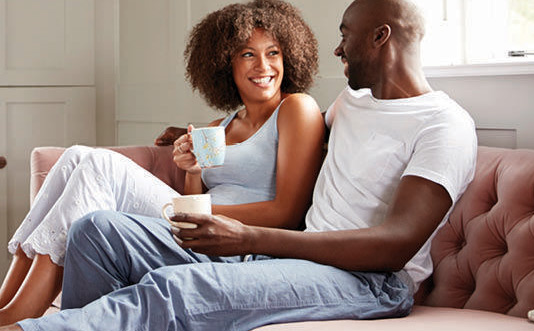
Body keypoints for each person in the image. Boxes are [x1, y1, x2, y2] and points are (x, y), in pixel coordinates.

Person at [1, 0, 478, 329]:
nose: (338, 50)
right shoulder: (352, 105)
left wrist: (248, 235)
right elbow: (273, 136)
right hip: (296, 255)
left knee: (180, 287)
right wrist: (184, 141)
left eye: (345, 37)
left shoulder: (445, 126)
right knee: (97, 231)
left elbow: (396, 246)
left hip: (370, 282)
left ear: (381, 37)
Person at [0, 0, 324, 325]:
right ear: (226, 63)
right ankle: (5, 301)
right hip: (194, 224)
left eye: (273, 53)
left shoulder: (296, 109)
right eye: (248, 54)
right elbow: (196, 192)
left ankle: (21, 313)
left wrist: (196, 214)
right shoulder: (218, 127)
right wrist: (192, 171)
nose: (263, 66)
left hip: (233, 239)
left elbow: (287, 212)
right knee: (74, 158)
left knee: (98, 165)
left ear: (289, 56)